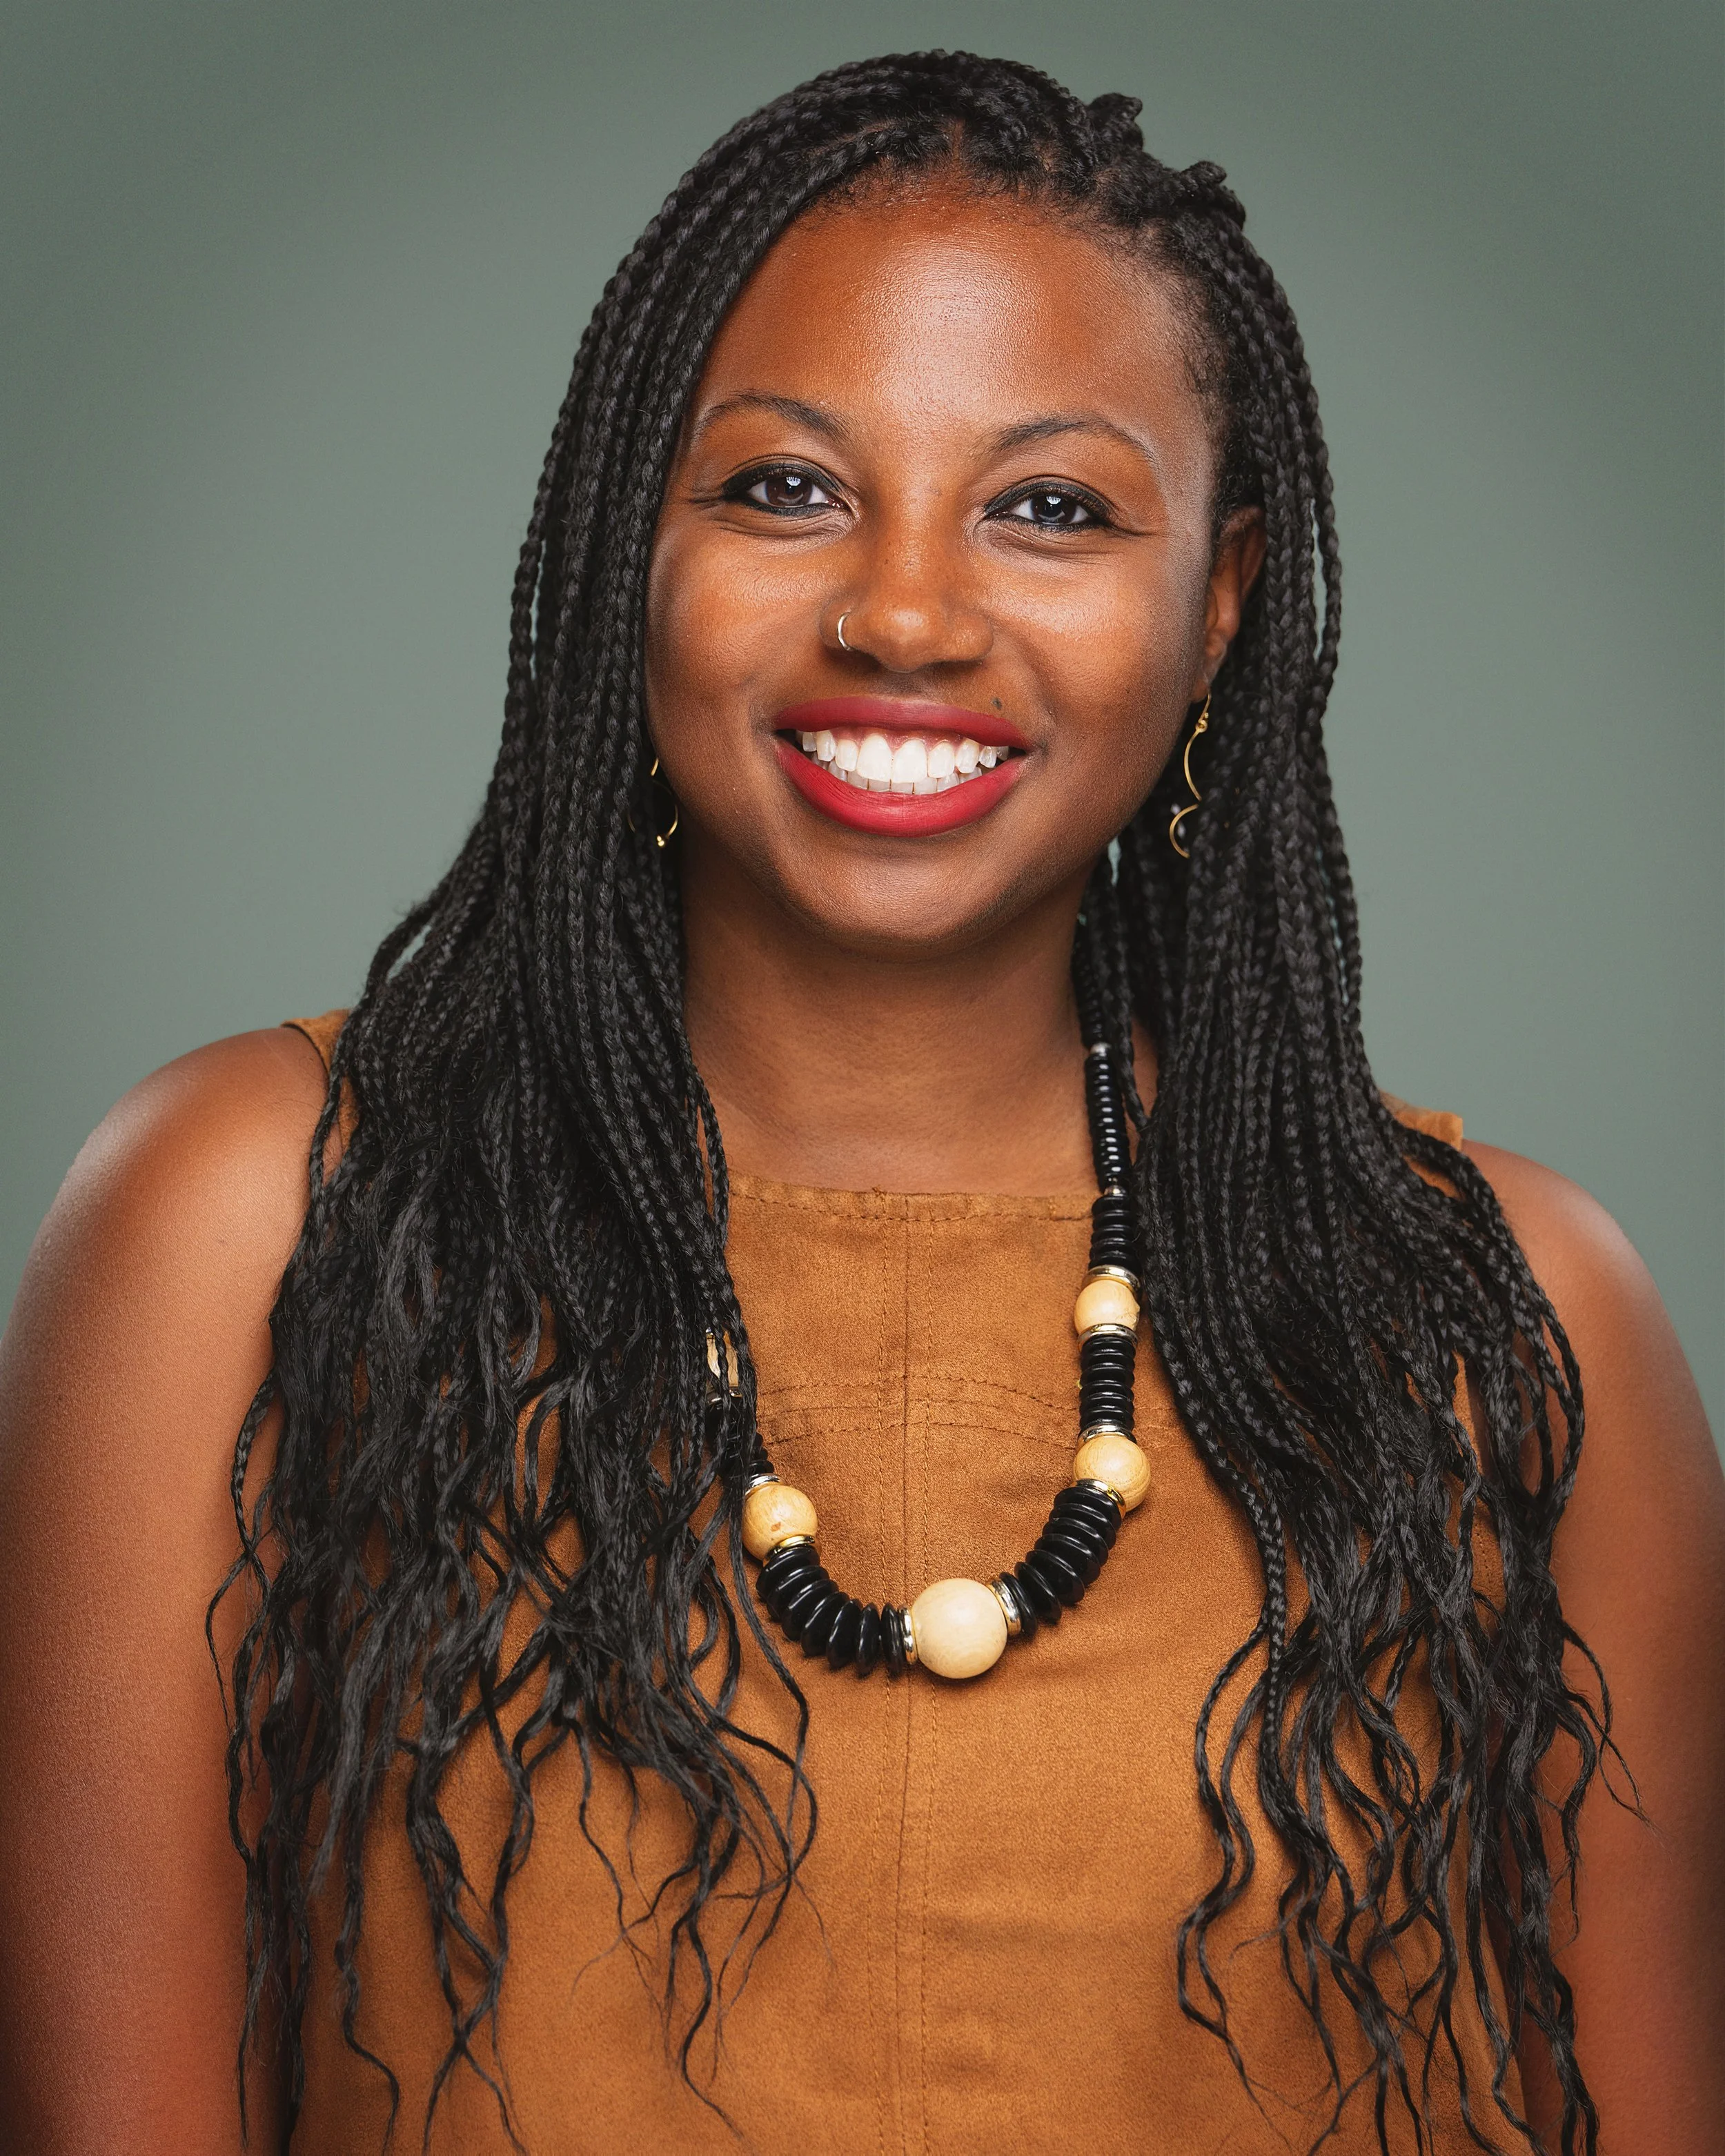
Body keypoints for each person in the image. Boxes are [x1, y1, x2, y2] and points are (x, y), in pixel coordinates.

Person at [0, 49, 1719, 2156]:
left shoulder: (1505, 1314)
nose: (904, 613)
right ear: (628, 535)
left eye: (1053, 508)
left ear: (1225, 601)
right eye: (784, 487)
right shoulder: (252, 1221)